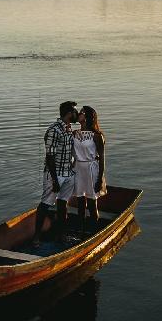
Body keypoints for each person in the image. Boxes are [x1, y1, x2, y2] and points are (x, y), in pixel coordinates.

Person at [33, 101, 79, 246]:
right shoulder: (54, 130)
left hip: (68, 173)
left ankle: (61, 236)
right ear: (70, 113)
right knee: (45, 204)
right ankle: (36, 237)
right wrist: (54, 180)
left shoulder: (69, 129)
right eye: (75, 112)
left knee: (63, 204)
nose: (77, 115)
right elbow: (50, 156)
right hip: (55, 175)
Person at [73, 106, 106, 232]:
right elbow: (73, 154)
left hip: (91, 169)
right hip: (78, 169)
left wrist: (100, 179)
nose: (78, 114)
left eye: (81, 112)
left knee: (92, 204)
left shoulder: (97, 136)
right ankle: (81, 232)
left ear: (86, 117)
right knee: (80, 203)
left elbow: (102, 158)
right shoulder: (74, 133)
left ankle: (94, 232)